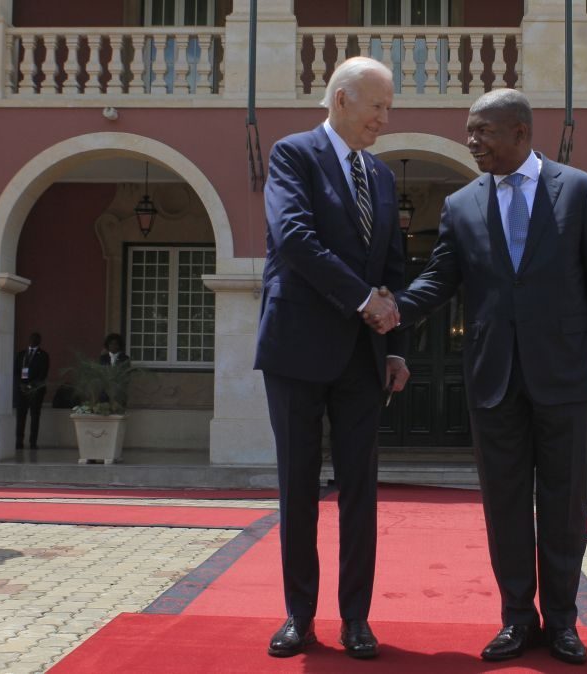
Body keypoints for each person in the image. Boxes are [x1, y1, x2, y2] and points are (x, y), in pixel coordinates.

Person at [387, 88, 587, 665]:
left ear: (520, 132)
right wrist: (391, 307)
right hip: (492, 376)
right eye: (470, 131)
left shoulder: (580, 190)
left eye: (482, 132)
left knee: (565, 502)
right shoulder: (461, 204)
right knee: (506, 503)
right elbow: (440, 280)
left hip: (564, 372)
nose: (472, 142)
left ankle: (564, 622)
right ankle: (518, 619)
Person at [254, 56, 409, 659]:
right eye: (378, 106)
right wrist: (362, 299)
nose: (384, 119)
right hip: (297, 348)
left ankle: (356, 620)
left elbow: (393, 266)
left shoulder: (384, 176)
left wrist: (394, 345)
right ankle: (298, 616)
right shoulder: (293, 155)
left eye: (389, 108)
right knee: (297, 488)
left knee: (360, 493)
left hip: (364, 357)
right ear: (343, 99)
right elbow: (295, 237)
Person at [14, 332, 50, 450]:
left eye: (36, 339)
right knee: (21, 416)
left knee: (34, 417)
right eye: (32, 338)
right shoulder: (22, 354)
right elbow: (16, 371)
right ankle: (19, 441)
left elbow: (43, 374)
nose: (33, 340)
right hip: (22, 390)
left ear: (39, 341)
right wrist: (21, 385)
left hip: (36, 391)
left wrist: (31, 386)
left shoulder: (43, 355)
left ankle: (33, 442)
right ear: (29, 340)